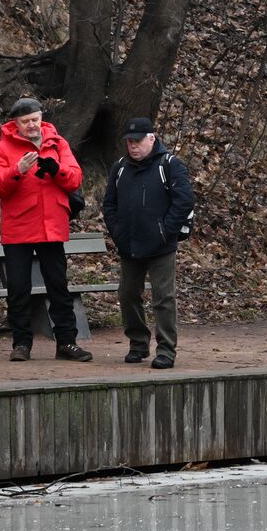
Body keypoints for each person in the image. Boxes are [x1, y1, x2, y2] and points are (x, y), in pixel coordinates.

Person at [0, 97, 93, 362]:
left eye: (35, 119)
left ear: (41, 117)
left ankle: (66, 342)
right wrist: (17, 170)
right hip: (19, 227)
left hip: (52, 225)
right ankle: (21, 343)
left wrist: (57, 171)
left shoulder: (58, 143)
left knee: (59, 287)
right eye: (26, 121)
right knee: (18, 289)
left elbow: (75, 177)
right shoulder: (3, 148)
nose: (32, 125)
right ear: (16, 124)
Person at [101, 117, 194, 369]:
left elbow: (184, 200)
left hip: (161, 245)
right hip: (129, 242)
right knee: (128, 294)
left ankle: (166, 350)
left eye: (138, 141)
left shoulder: (171, 165)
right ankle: (138, 342)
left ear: (151, 138)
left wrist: (165, 231)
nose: (133, 146)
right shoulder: (119, 167)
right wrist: (117, 231)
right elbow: (109, 204)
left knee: (163, 297)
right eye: (130, 141)